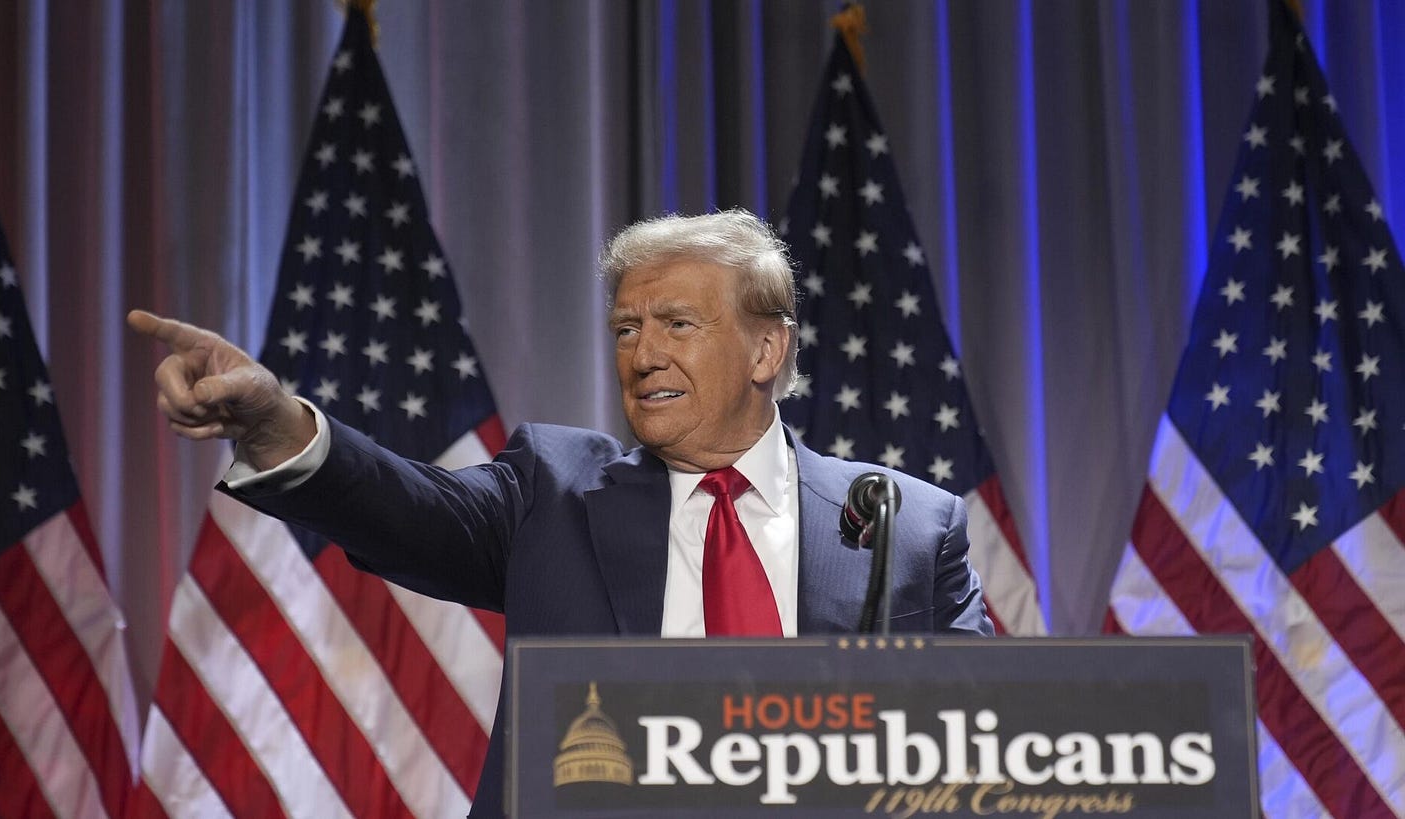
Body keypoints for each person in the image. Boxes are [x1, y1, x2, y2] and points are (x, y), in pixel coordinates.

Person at [131, 209, 992, 817]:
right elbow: (405, 507)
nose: (643, 353)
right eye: (625, 328)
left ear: (768, 348)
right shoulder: (553, 489)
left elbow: (983, 752)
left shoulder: (906, 526)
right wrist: (279, 421)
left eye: (677, 323)